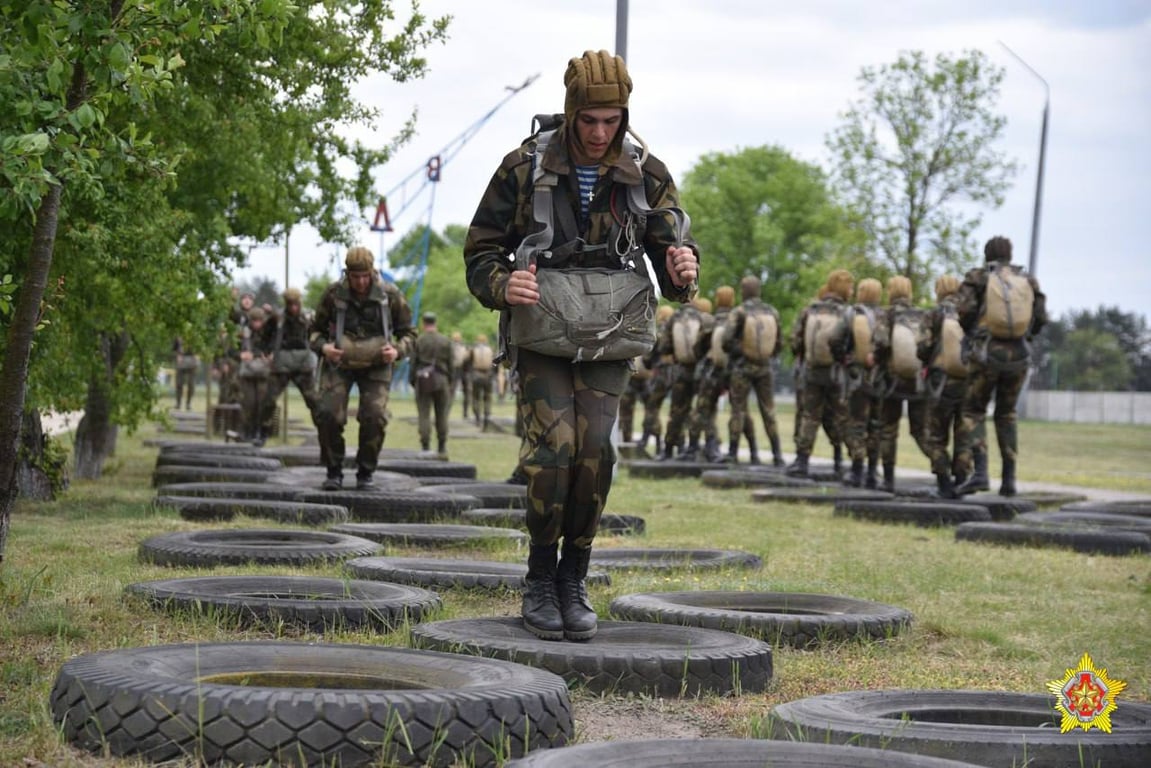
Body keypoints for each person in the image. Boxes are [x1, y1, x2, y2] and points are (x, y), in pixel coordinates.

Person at [463, 50, 699, 642]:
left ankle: (575, 575)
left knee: (596, 449)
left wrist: (683, 267)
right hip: (541, 328)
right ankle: (540, 576)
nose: (600, 134)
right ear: (571, 112)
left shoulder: (646, 174)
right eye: (590, 120)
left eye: (611, 120)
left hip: (609, 332)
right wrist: (502, 283)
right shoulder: (523, 167)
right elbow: (481, 251)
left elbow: (674, 266)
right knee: (554, 449)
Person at [310, 245, 416, 490]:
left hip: (377, 366)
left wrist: (397, 350)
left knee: (374, 416)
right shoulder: (333, 294)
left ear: (372, 272)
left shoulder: (390, 296)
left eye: (365, 276)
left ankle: (366, 471)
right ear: (347, 274)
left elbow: (410, 333)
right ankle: (333, 470)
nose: (360, 282)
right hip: (339, 363)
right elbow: (314, 331)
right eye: (355, 277)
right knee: (327, 413)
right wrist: (324, 347)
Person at [954, 236, 1047, 497]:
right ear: (1010, 253)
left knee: (973, 410)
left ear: (987, 254)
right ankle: (1009, 479)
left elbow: (963, 311)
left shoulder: (978, 277)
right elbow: (1041, 317)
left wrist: (973, 332)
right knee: (1006, 414)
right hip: (1018, 357)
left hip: (985, 355)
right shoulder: (1027, 280)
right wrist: (1024, 336)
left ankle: (981, 472)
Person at [786, 269, 853, 478]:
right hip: (838, 374)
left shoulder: (810, 310)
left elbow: (795, 341)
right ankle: (843, 460)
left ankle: (802, 460)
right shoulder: (848, 312)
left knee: (810, 416)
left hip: (812, 372)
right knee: (841, 417)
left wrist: (803, 356)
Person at [871, 275, 934, 492]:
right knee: (921, 430)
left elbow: (880, 342)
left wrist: (877, 361)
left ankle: (888, 480)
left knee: (888, 430)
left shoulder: (885, 315)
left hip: (891, 383)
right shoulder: (923, 315)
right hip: (919, 383)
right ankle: (944, 470)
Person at [723, 276, 786, 467]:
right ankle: (777, 455)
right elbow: (780, 342)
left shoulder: (739, 312)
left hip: (742, 368)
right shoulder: (772, 312)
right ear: (759, 291)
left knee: (738, 411)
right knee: (769, 411)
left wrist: (740, 351)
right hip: (765, 368)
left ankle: (733, 453)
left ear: (743, 291)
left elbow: (726, 340)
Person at [923, 275, 968, 498]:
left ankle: (943, 483)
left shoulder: (935, 313)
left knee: (936, 435)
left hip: (940, 382)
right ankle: (961, 482)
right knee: (963, 434)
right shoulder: (970, 311)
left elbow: (923, 346)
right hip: (968, 381)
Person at [841, 278, 883, 487]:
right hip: (881, 380)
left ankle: (857, 468)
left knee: (857, 423)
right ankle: (873, 472)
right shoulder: (886, 315)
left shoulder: (852, 314)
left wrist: (846, 363)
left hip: (857, 378)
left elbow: (835, 340)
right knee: (876, 424)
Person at [660, 296, 712, 461]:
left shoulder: (674, 318)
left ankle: (668, 450)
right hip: (700, 372)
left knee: (676, 411)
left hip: (680, 371)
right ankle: (693, 448)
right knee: (701, 410)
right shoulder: (703, 318)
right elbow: (707, 345)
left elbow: (664, 347)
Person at [265, 287, 320, 435]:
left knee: (313, 400)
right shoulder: (277, 318)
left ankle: (324, 431)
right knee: (268, 399)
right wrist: (267, 353)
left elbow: (320, 334)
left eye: (296, 303)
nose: (293, 307)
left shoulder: (308, 318)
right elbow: (265, 336)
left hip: (304, 364)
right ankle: (264, 431)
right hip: (282, 363)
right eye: (290, 304)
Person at [410, 312, 454, 454]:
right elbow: (451, 363)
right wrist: (450, 381)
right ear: (435, 323)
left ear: (423, 323)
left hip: (424, 379)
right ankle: (442, 445)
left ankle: (425, 445)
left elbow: (413, 363)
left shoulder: (419, 340)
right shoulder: (445, 341)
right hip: (442, 379)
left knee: (424, 414)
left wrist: (413, 380)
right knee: (442, 414)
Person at [637, 304, 677, 456]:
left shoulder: (659, 331)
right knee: (677, 409)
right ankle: (675, 446)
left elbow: (648, 357)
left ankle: (651, 441)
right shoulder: (676, 328)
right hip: (677, 372)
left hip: (661, 373)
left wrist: (649, 364)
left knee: (652, 407)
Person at [237, 306, 275, 445]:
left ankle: (261, 432)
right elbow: (233, 348)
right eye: (254, 321)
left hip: (264, 373)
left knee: (262, 404)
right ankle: (248, 431)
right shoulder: (243, 333)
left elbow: (272, 349)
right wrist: (240, 354)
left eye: (259, 321)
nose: (257, 324)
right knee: (248, 403)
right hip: (247, 373)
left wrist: (266, 355)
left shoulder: (269, 334)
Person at [470, 333, 496, 431]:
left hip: (476, 375)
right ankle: (486, 418)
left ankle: (477, 419)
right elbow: (494, 363)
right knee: (487, 398)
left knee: (476, 398)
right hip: (488, 376)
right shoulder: (491, 350)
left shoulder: (473, 350)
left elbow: (468, 361)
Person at [449, 331, 472, 420]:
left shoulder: (450, 347)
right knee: (466, 392)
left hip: (455, 371)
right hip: (464, 371)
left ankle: (447, 412)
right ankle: (465, 413)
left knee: (451, 392)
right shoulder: (465, 347)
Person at [172, 337, 199, 410]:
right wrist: (177, 356)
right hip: (181, 361)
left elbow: (199, 348)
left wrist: (196, 355)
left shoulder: (194, 335)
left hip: (192, 361)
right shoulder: (178, 336)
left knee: (191, 384)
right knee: (179, 383)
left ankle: (188, 404)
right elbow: (173, 350)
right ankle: (178, 403)